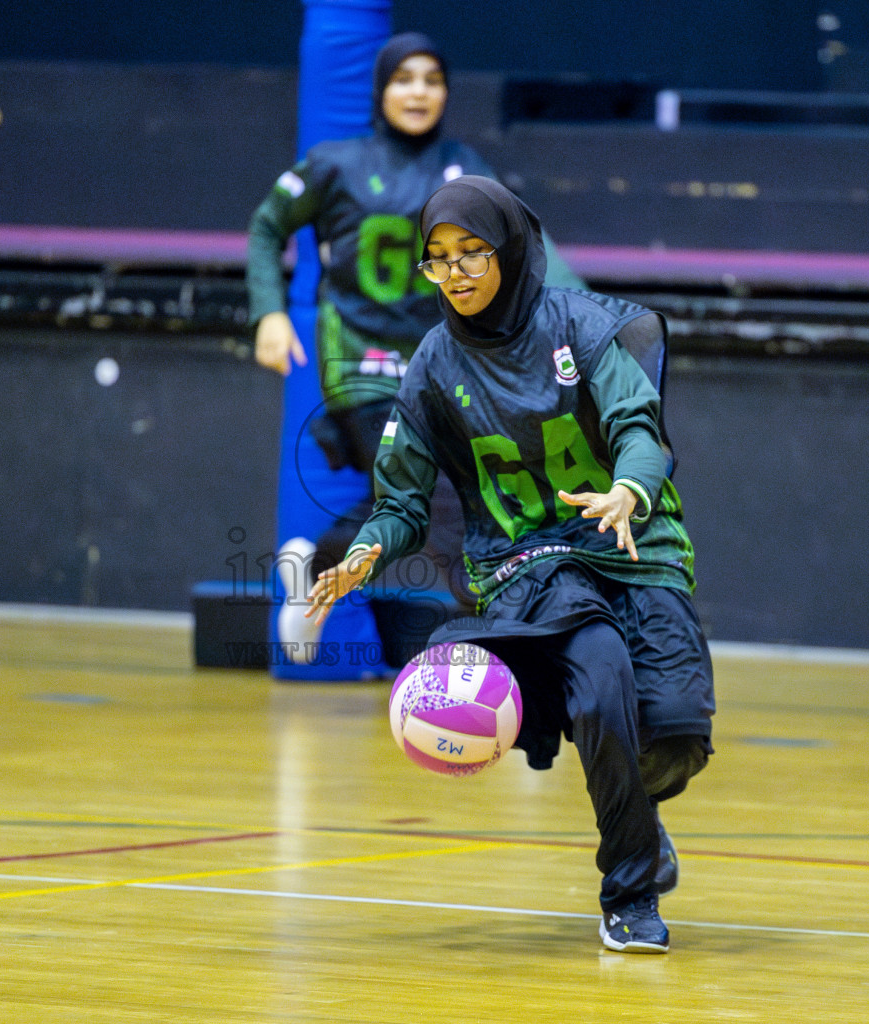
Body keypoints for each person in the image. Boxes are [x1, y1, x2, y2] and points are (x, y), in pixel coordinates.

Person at [307, 176, 716, 954]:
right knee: (599, 687)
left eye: (471, 253)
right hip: (528, 563)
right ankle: (629, 897)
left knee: (674, 737)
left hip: (634, 545)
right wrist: (365, 554)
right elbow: (401, 504)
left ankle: (634, 805)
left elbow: (639, 426)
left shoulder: (581, 324)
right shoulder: (431, 365)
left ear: (512, 250)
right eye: (438, 259)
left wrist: (629, 488)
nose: (454, 273)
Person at [246, 32, 582, 663]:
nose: (419, 91)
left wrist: (589, 321)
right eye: (405, 78)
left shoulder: (464, 166)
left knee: (431, 496)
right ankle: (502, 657)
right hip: (362, 365)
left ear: (447, 92)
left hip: (440, 368)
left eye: (432, 79)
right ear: (381, 90)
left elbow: (528, 247)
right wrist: (269, 312)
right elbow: (267, 226)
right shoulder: (333, 162)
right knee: (442, 502)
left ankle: (315, 560)